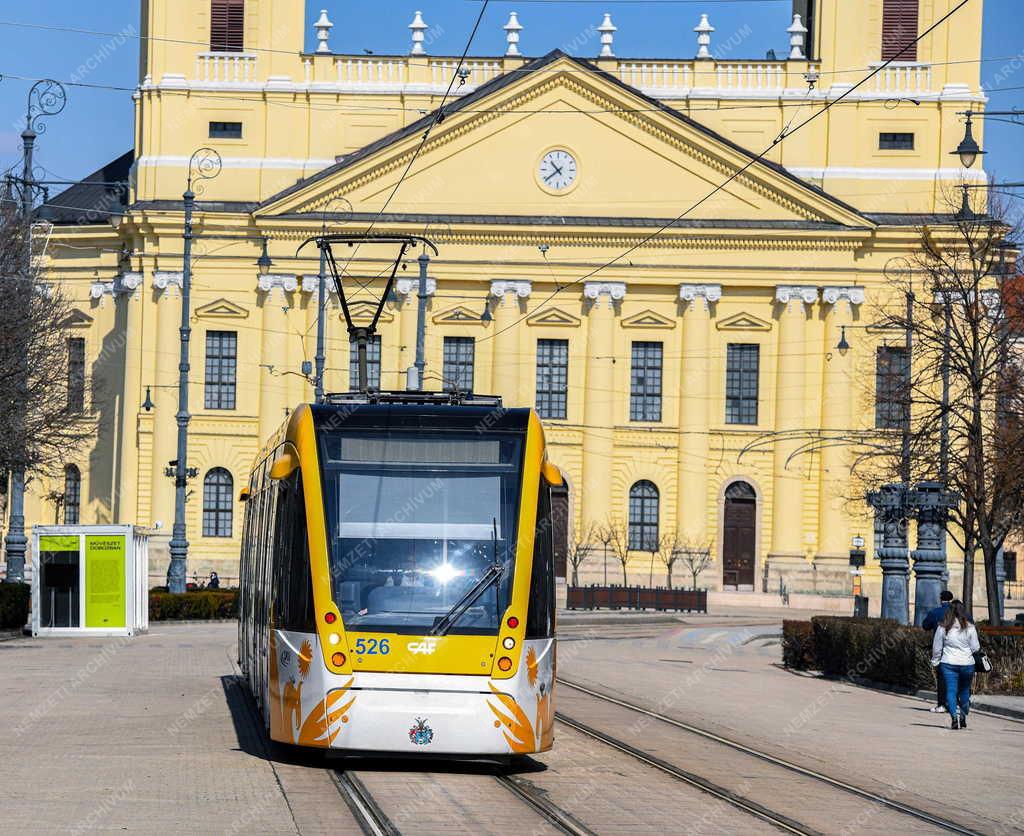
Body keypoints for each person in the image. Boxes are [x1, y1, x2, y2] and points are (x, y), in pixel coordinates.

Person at [930, 600, 981, 730]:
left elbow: (937, 648)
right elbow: (976, 647)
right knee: (964, 691)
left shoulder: (943, 627)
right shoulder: (970, 627)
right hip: (966, 664)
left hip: (948, 663)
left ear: (949, 611)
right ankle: (963, 714)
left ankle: (953, 717)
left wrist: (935, 661)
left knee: (951, 691)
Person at [922, 590, 955, 713]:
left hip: (942, 650)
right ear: (951, 599)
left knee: (942, 678)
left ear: (941, 599)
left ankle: (942, 704)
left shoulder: (935, 612)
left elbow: (925, 626)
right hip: (959, 651)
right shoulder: (959, 613)